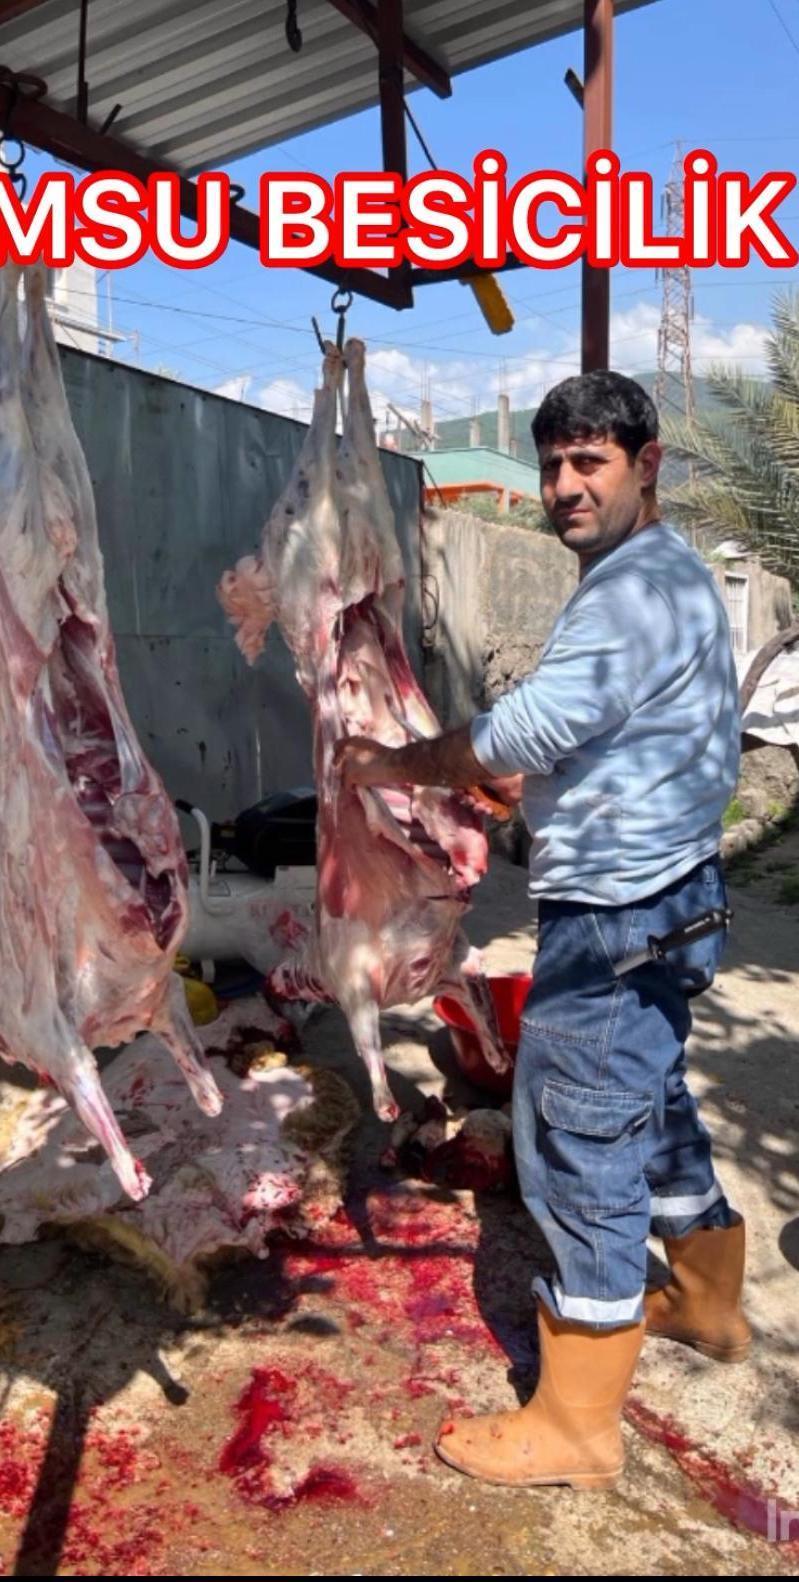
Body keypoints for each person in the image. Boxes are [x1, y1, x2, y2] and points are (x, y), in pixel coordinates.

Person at [333, 370, 752, 1492]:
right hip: (672, 894)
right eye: (554, 463)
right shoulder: (665, 574)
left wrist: (392, 763)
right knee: (649, 1102)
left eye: (590, 463)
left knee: (577, 1136)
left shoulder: (628, 588)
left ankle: (575, 1423)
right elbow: (613, 731)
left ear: (645, 465)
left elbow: (524, 727)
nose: (566, 486)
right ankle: (707, 1302)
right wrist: (542, 789)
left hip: (618, 912)